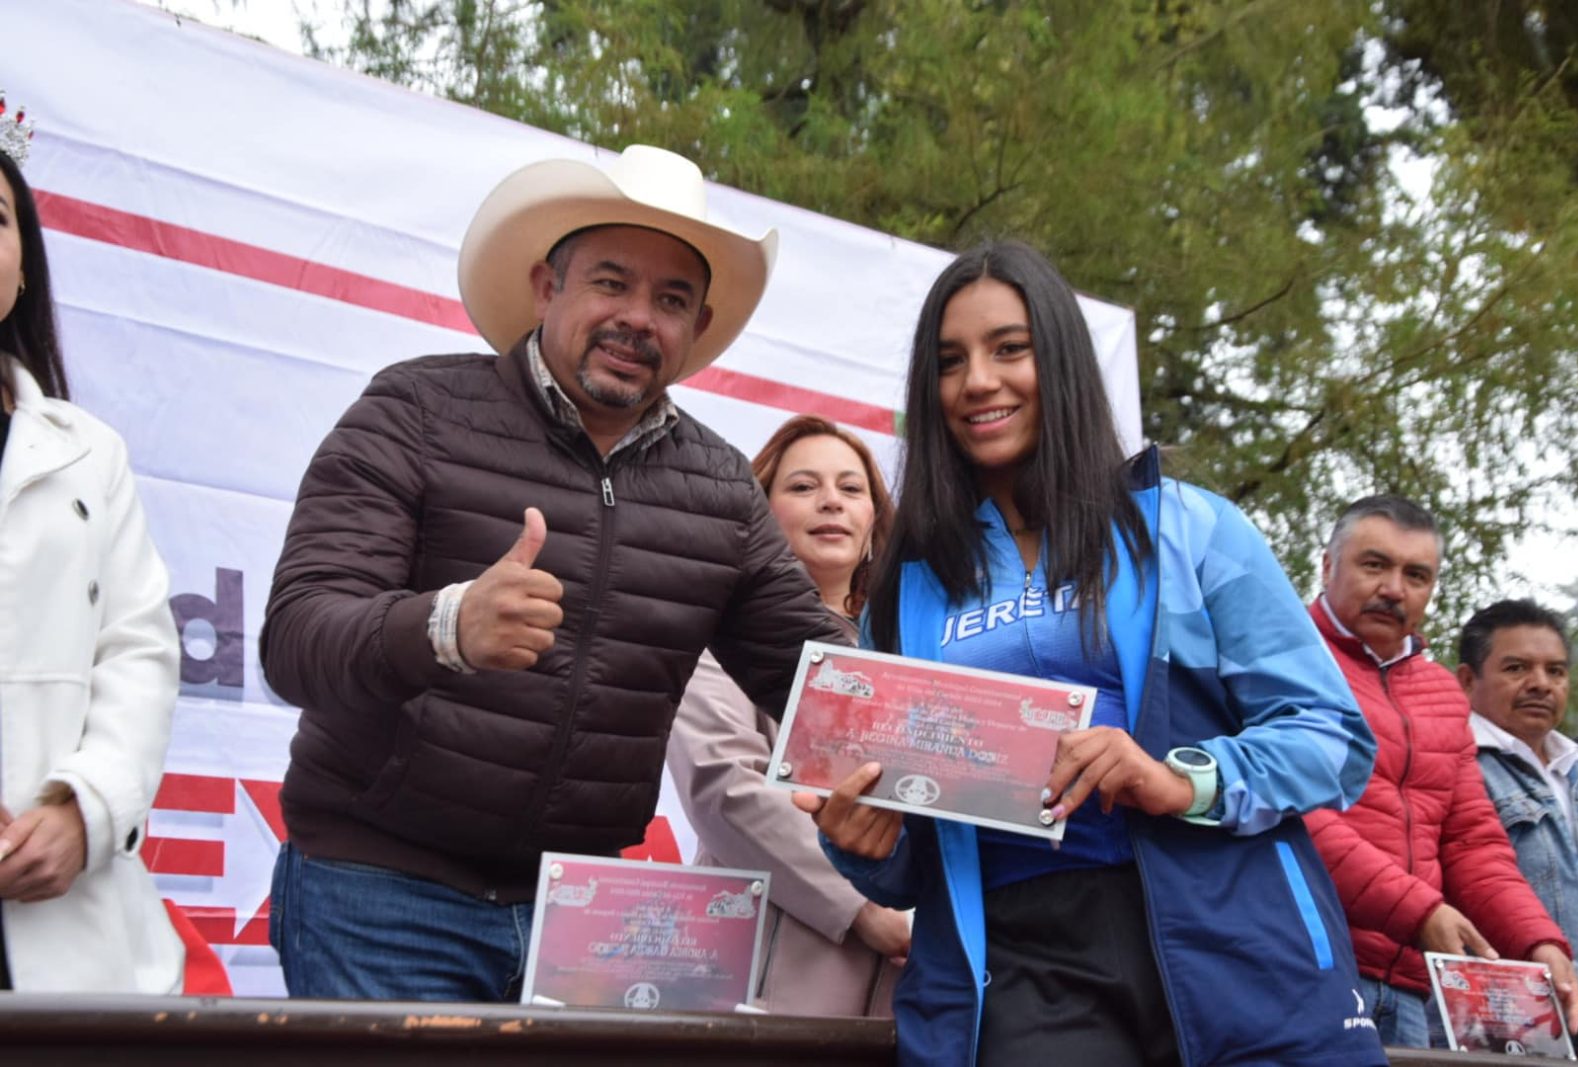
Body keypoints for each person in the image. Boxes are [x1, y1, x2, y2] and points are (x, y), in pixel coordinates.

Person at [262, 144, 848, 1001]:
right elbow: (296, 636)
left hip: (590, 916)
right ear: (547, 286)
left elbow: (817, 675)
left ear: (695, 328)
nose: (639, 318)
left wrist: (1011, 745)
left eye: (671, 299)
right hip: (381, 895)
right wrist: (448, 626)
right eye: (612, 283)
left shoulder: (721, 487)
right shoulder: (415, 409)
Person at [800, 240, 1385, 1066]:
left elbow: (1332, 736)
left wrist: (1177, 777)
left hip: (1235, 938)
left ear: (1064, 359)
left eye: (1010, 348)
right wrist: (865, 841)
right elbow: (908, 864)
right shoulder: (909, 589)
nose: (977, 382)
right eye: (950, 360)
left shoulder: (1191, 527)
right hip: (1019, 967)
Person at [0, 117, 183, 992]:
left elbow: (139, 650)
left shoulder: (89, 451)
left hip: (70, 930)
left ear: (23, 261)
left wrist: (87, 810)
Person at [1304, 496, 1578, 1047]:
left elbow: (1471, 841)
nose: (1393, 588)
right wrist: (1420, 910)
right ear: (1328, 565)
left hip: (1410, 985)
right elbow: (1291, 813)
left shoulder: (1439, 694)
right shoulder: (1280, 657)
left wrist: (1537, 942)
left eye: (1416, 574)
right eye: (1375, 564)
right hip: (1308, 962)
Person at [665, 414, 908, 1016]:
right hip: (760, 980)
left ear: (875, 520)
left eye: (852, 490)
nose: (831, 501)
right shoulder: (717, 633)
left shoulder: (916, 648)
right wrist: (863, 908)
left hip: (911, 990)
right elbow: (724, 783)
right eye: (803, 487)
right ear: (761, 513)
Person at [1458, 598, 1578, 1042]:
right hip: (1517, 1031)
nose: (1541, 684)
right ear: (1466, 680)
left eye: (1556, 671)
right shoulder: (1456, 767)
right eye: (1517, 668)